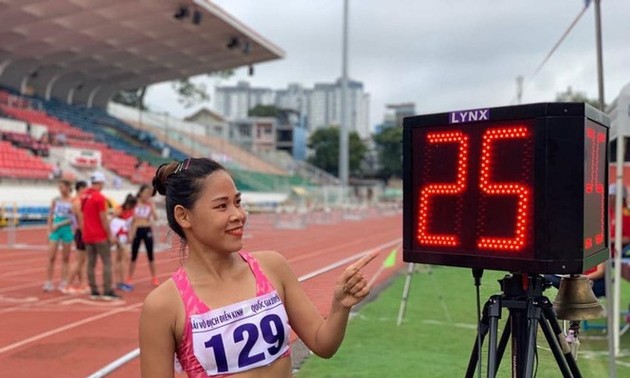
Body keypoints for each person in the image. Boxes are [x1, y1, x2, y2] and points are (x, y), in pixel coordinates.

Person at [139, 158, 376, 377]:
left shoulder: (272, 266)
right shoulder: (164, 305)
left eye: (238, 202)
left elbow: (322, 344)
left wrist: (340, 307)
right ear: (184, 216)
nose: (238, 215)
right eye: (222, 206)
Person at [82, 171, 120, 301]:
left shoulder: (84, 196)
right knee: (107, 262)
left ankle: (93, 289)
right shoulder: (100, 198)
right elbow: (103, 218)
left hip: (87, 234)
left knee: (90, 263)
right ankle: (107, 290)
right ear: (101, 182)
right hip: (99, 235)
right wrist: (110, 235)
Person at [43, 179, 74, 292]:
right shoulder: (55, 200)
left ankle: (64, 281)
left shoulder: (73, 201)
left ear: (68, 187)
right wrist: (48, 229)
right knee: (51, 257)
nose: (60, 190)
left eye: (62, 187)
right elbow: (50, 215)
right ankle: (48, 281)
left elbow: (73, 218)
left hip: (66, 229)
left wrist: (60, 223)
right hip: (55, 230)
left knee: (66, 257)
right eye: (59, 187)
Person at [127, 184, 159, 287]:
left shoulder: (150, 204)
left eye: (149, 194)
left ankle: (154, 277)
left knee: (150, 255)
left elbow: (156, 218)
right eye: (145, 193)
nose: (147, 195)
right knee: (134, 255)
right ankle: (129, 277)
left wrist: (152, 206)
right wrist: (130, 233)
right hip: (137, 230)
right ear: (140, 193)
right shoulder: (134, 204)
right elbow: (130, 220)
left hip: (146, 229)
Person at [64, 180, 90, 294]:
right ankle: (68, 284)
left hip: (79, 231)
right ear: (80, 189)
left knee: (82, 260)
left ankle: (83, 283)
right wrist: (85, 233)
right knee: (79, 261)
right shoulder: (78, 202)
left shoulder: (76, 201)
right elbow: (81, 219)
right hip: (81, 232)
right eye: (86, 188)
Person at [111, 194, 136, 292]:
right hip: (119, 236)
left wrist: (130, 235)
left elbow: (130, 224)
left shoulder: (132, 211)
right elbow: (112, 222)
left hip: (125, 236)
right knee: (124, 258)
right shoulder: (120, 209)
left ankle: (119, 282)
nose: (130, 207)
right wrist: (113, 236)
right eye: (130, 205)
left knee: (120, 258)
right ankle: (120, 281)